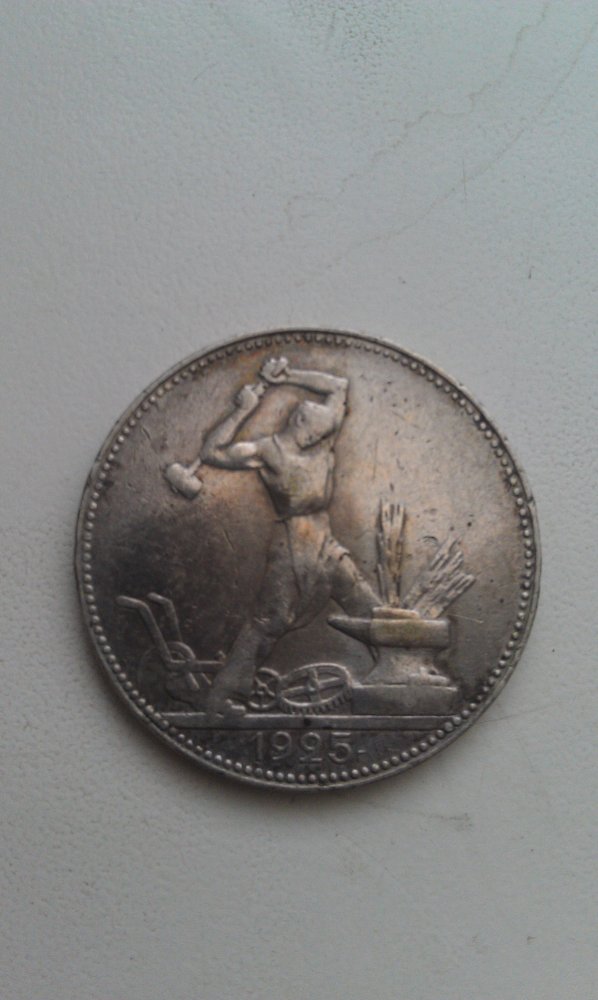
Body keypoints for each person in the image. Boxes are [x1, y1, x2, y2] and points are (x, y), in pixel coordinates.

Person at [200, 356, 379, 716]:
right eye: (313, 433)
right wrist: (241, 411)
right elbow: (212, 452)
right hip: (293, 543)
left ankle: (392, 682)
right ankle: (223, 696)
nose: (319, 439)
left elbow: (339, 386)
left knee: (369, 609)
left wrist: (287, 376)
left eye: (324, 434)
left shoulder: (322, 441)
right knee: (270, 619)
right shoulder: (267, 451)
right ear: (298, 421)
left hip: (325, 541)